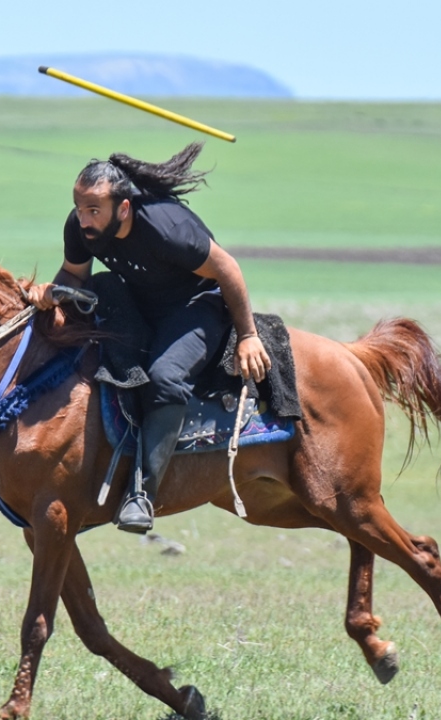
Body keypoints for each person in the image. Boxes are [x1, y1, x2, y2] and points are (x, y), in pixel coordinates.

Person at [28, 142, 271, 534]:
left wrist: (247, 335)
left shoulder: (166, 227)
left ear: (122, 208)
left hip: (197, 305)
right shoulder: (80, 228)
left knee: (164, 378)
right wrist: (50, 293)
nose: (84, 219)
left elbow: (228, 268)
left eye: (94, 210)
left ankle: (142, 493)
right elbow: (75, 274)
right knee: (99, 297)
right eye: (79, 208)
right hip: (141, 299)